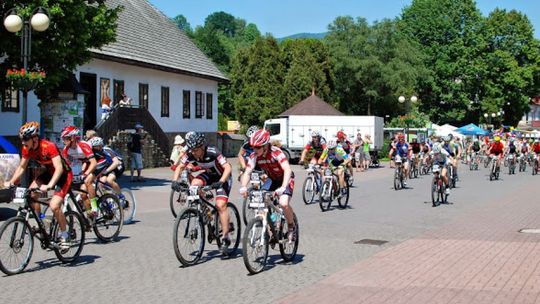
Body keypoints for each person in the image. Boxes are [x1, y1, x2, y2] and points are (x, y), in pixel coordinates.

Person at [5, 122, 72, 249]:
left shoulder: (48, 146)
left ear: (34, 138)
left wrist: (50, 185)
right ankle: (41, 222)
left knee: (54, 205)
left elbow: (58, 168)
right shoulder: (27, 148)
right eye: (22, 139)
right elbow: (21, 167)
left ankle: (65, 235)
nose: (23, 142)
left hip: (63, 174)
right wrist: (12, 181)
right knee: (30, 193)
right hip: (48, 173)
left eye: (25, 139)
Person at [172, 132, 233, 254]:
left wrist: (221, 181)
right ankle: (205, 211)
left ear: (202, 147)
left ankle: (226, 237)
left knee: (220, 205)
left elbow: (228, 167)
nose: (193, 153)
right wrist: (174, 181)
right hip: (209, 175)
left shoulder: (213, 151)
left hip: (223, 177)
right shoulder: (190, 153)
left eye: (195, 150)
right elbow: (180, 167)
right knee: (194, 184)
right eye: (191, 150)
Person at [239, 129, 296, 243]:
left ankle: (291, 226)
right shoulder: (254, 155)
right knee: (261, 202)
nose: (255, 149)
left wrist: (283, 187)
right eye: (253, 147)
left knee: (283, 203)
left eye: (258, 147)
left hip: (285, 179)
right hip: (271, 179)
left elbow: (287, 169)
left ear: (265, 146)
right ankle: (270, 228)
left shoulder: (277, 152)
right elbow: (247, 172)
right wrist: (244, 186)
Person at [61, 125, 99, 218]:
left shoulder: (83, 145)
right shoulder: (66, 149)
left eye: (66, 138)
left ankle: (94, 207)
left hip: (96, 161)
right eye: (63, 138)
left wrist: (85, 174)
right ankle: (90, 215)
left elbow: (93, 163)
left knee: (87, 180)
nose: (64, 141)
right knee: (83, 194)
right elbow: (66, 165)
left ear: (73, 138)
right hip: (85, 164)